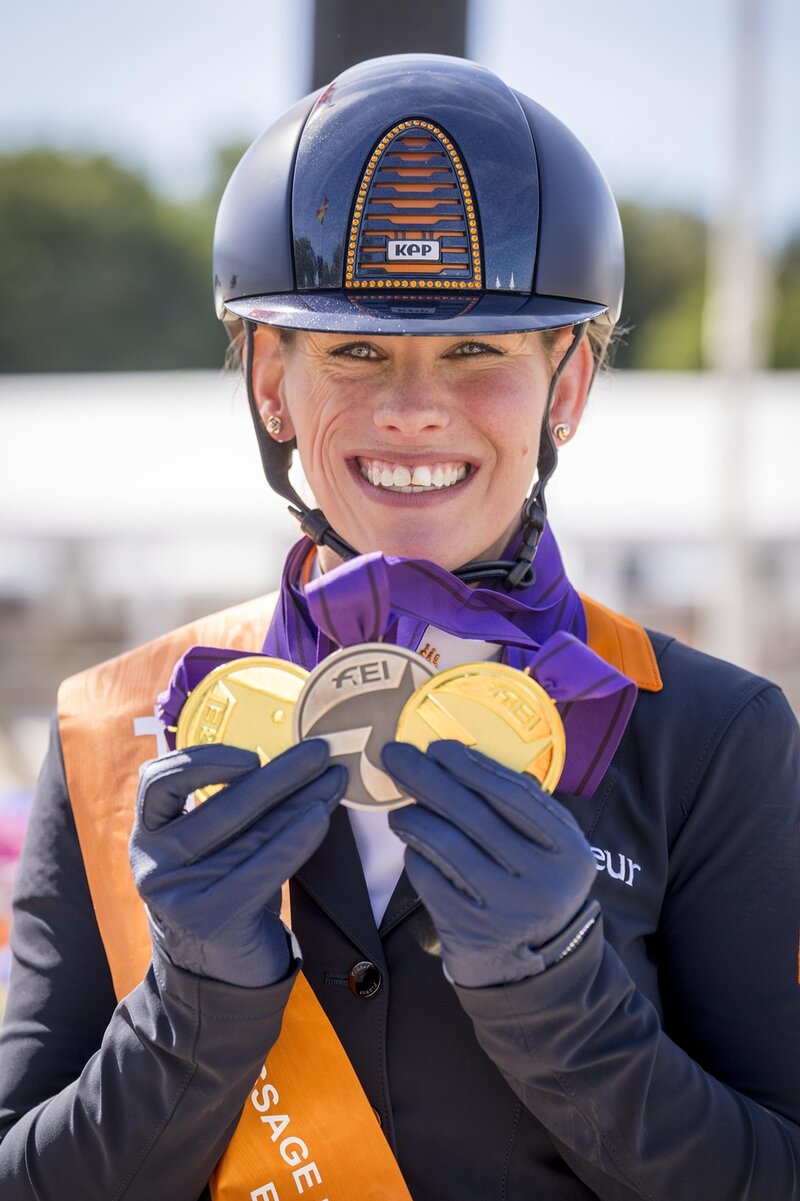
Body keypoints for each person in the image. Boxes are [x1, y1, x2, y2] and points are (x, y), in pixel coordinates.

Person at [1, 53, 798, 1201]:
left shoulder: (714, 734)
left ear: (564, 386)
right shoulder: (114, 729)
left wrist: (557, 997)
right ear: (271, 380)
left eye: (477, 351)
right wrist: (195, 1006)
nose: (414, 405)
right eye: (354, 350)